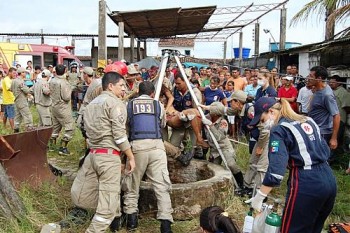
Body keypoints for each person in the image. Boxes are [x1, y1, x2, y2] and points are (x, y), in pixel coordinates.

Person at [246, 97, 337, 233]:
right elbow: (325, 150)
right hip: (329, 179)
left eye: (262, 120)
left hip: (307, 183)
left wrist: (259, 197)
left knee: (292, 229)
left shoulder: (279, 130)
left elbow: (276, 172)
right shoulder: (308, 120)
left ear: (271, 111)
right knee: (314, 229)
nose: (263, 124)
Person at [80, 71, 136, 232]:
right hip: (108, 156)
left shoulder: (91, 104)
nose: (124, 89)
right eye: (121, 86)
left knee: (105, 194)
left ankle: (113, 224)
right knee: (108, 207)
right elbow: (119, 136)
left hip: (93, 154)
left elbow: (85, 130)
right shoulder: (115, 104)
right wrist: (130, 157)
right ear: (110, 86)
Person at [123, 81, 173, 233]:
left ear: (138, 91)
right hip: (157, 147)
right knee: (162, 186)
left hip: (137, 147)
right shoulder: (158, 105)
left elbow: (125, 126)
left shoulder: (129, 105)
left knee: (132, 184)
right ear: (152, 93)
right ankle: (165, 224)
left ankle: (131, 221)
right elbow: (163, 124)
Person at [201, 101, 244, 190]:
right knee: (212, 168)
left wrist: (210, 125)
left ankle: (241, 184)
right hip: (214, 150)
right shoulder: (207, 117)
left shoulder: (223, 122)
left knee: (231, 165)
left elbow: (219, 137)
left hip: (224, 147)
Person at [308, 66, 340, 152]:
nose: (308, 78)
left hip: (323, 133)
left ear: (319, 79)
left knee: (322, 159)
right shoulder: (318, 89)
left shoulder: (327, 95)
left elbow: (336, 115)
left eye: (311, 76)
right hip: (315, 129)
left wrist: (334, 138)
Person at [49, 64, 75, 155]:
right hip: (63, 107)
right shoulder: (64, 82)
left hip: (54, 106)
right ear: (65, 71)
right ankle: (63, 148)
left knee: (56, 127)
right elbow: (66, 97)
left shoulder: (52, 81)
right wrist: (71, 89)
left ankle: (51, 146)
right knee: (70, 127)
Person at [11, 67, 33, 132]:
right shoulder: (21, 81)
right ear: (21, 73)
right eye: (24, 72)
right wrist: (31, 88)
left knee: (18, 116)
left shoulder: (14, 80)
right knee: (27, 115)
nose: (26, 73)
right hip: (22, 100)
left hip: (16, 100)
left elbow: (11, 89)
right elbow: (27, 91)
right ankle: (29, 128)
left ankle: (16, 129)